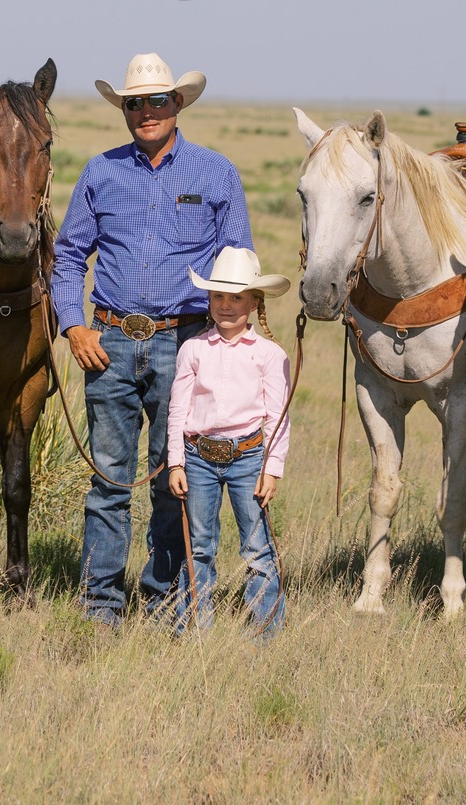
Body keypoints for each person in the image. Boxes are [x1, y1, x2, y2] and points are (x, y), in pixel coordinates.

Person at [52, 52, 251, 625]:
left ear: (178, 103)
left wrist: (227, 345)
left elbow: (238, 263)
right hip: (109, 342)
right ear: (124, 109)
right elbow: (68, 256)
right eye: (134, 103)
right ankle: (101, 607)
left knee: (173, 479)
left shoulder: (216, 173)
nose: (145, 112)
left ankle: (164, 601)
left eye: (156, 101)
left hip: (185, 343)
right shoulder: (101, 172)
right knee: (110, 481)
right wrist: (74, 324)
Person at [166, 246, 292, 639]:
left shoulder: (270, 355)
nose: (226, 305)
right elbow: (178, 409)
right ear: (208, 299)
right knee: (199, 546)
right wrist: (175, 462)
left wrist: (272, 468)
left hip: (249, 457)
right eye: (218, 296)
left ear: (254, 303)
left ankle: (265, 632)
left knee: (257, 547)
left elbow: (278, 415)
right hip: (199, 456)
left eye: (236, 297)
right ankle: (197, 629)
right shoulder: (193, 349)